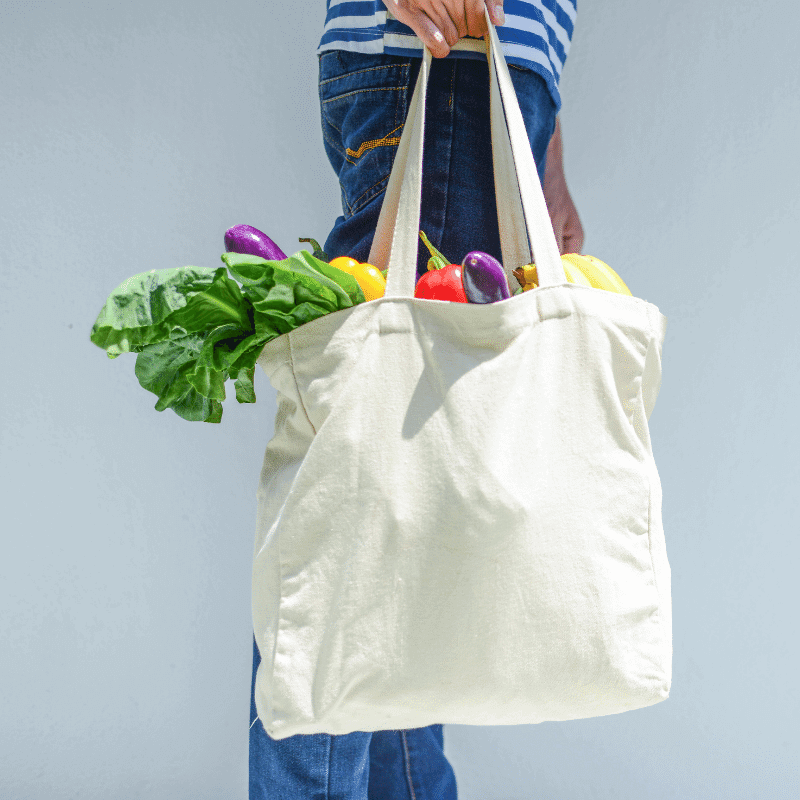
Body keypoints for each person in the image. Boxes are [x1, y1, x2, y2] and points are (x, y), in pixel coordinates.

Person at [250, 2, 582, 797]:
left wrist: (547, 137)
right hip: (442, 53)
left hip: (490, 60)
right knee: (358, 524)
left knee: (400, 506)